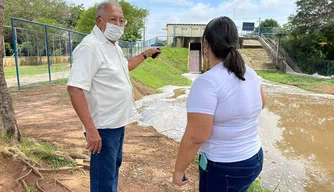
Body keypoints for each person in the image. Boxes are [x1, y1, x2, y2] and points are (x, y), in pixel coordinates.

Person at [67, 1, 161, 192]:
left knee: (112, 170)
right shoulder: (90, 47)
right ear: (99, 21)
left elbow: (124, 67)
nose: (118, 25)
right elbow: (75, 88)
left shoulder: (113, 46)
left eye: (121, 21)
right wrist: (91, 130)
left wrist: (145, 54)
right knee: (103, 178)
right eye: (113, 20)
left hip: (117, 123)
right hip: (102, 128)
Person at [173, 16, 265, 192]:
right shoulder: (249, 73)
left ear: (206, 43)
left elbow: (196, 137)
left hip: (225, 166)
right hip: (254, 157)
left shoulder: (207, 82)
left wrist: (179, 170)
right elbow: (261, 104)